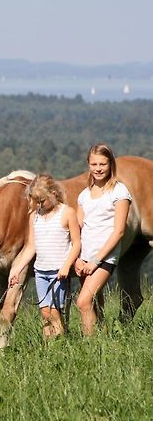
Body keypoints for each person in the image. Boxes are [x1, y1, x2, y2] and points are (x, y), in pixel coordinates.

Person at [9, 174, 81, 339]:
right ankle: (48, 348)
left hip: (58, 272)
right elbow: (31, 246)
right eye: (35, 201)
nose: (37, 205)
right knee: (45, 313)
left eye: (41, 201)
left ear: (54, 195)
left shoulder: (67, 213)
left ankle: (59, 347)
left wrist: (66, 266)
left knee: (56, 312)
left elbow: (76, 243)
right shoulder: (34, 216)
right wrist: (17, 269)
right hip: (41, 272)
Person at [74, 143, 131, 336]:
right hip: (84, 257)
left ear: (110, 164)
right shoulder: (83, 195)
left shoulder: (119, 192)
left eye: (103, 164)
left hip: (104, 258)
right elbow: (78, 228)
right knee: (95, 304)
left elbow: (119, 231)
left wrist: (96, 260)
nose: (98, 168)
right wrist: (77, 258)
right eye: (94, 164)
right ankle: (102, 340)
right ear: (88, 165)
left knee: (83, 302)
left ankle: (88, 348)